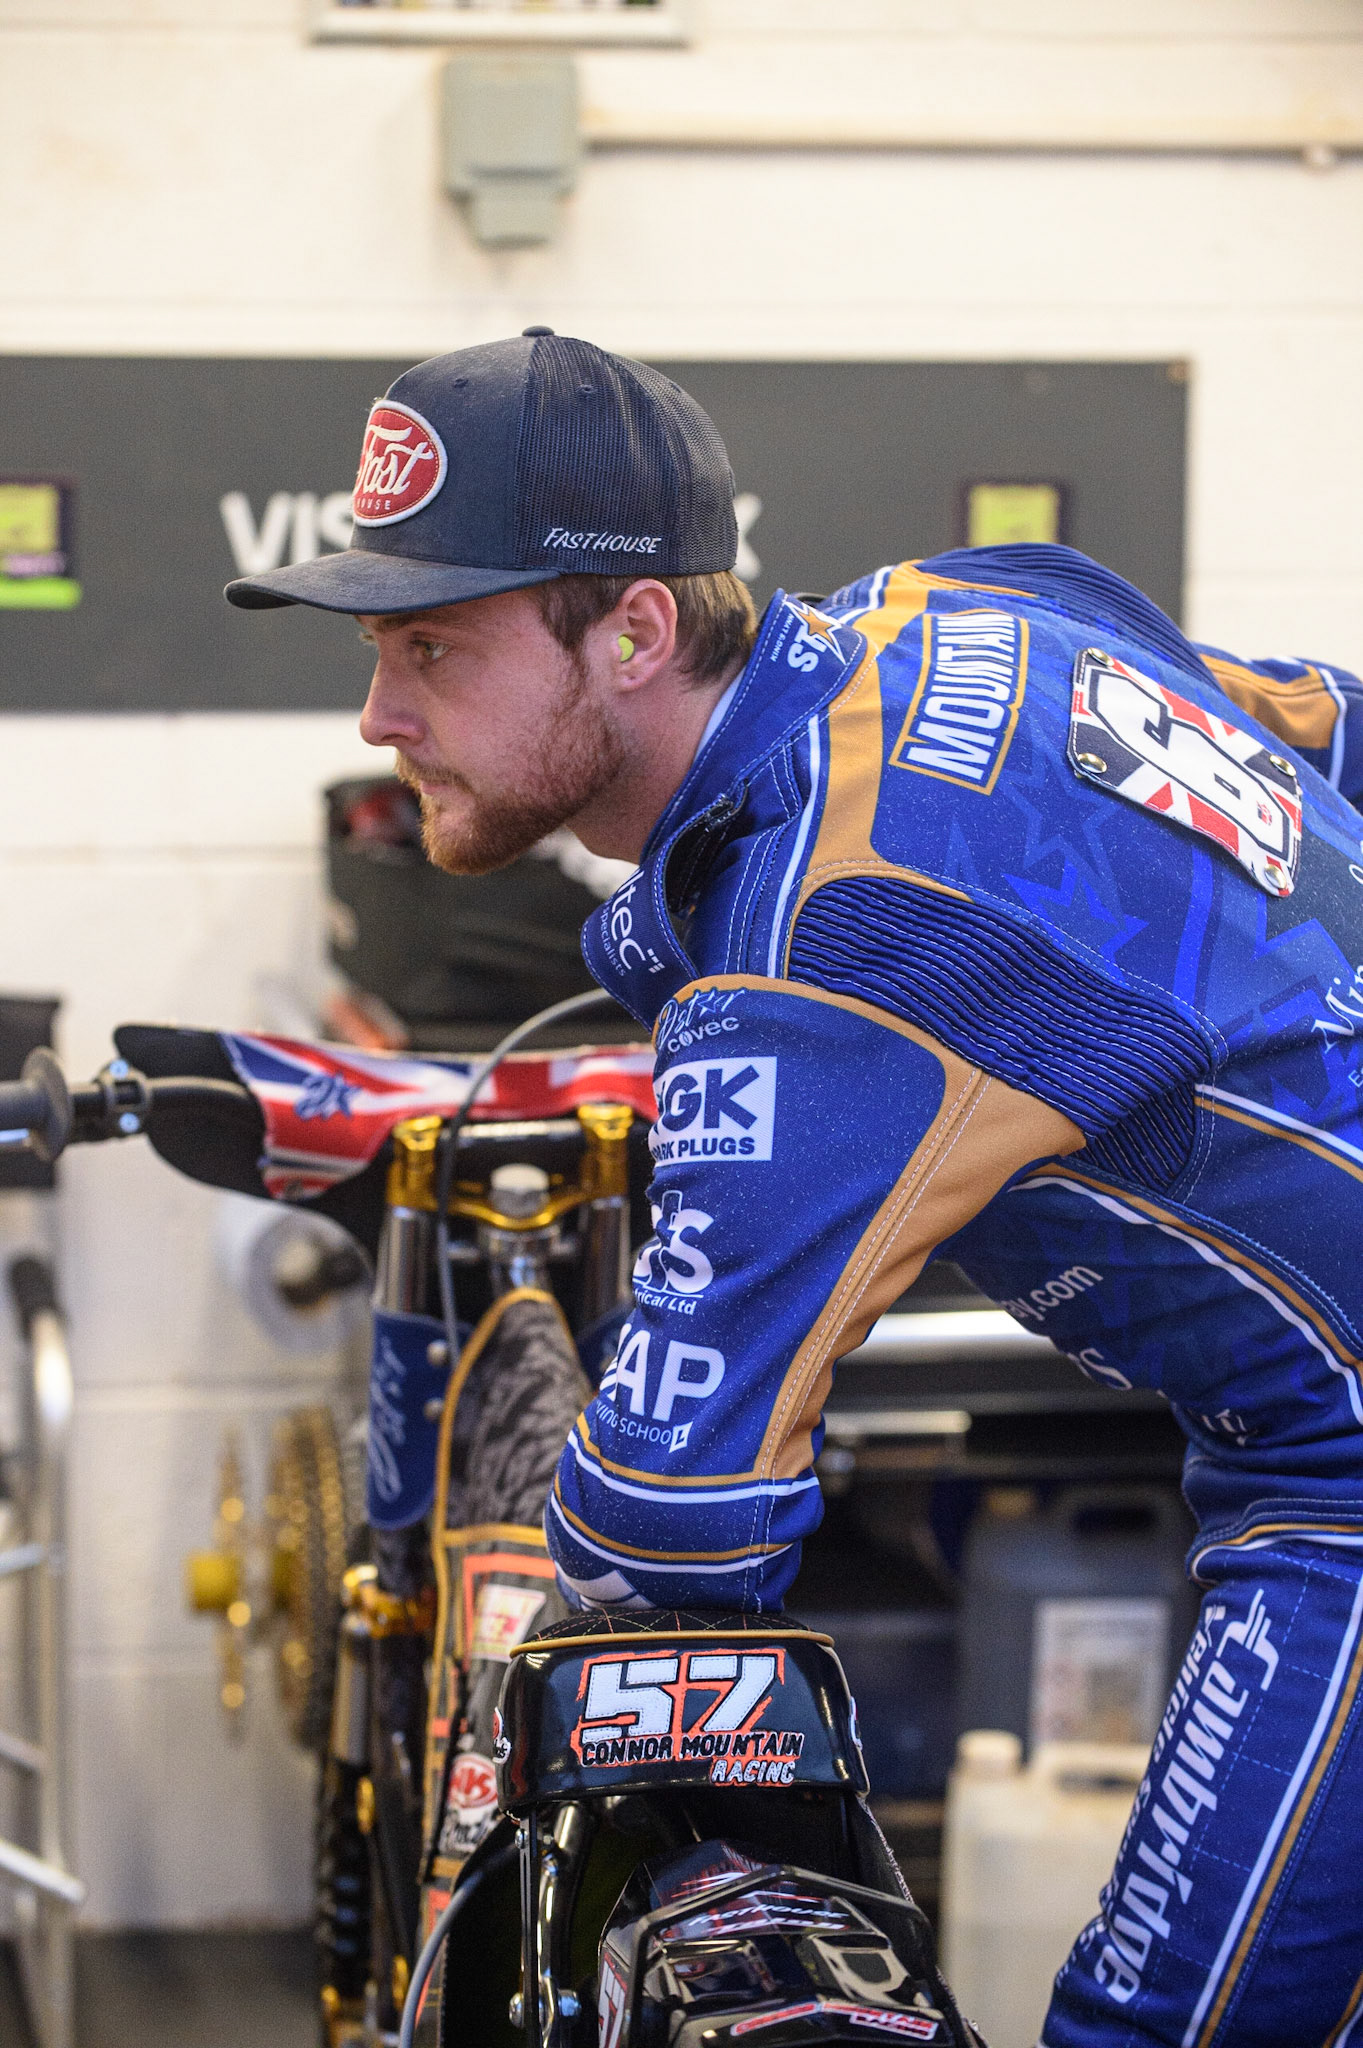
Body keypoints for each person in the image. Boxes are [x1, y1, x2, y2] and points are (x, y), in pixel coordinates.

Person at [228, 330, 1363, 2048]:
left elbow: (669, 1527)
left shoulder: (820, 959)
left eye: (431, 651)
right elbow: (1320, 723)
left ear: (632, 630)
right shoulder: (956, 610)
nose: (379, 719)